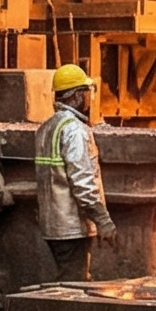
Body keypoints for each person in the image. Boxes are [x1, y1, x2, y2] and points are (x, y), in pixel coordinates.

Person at [36, 64, 114, 283]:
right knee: (72, 287)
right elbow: (83, 183)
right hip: (72, 228)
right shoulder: (74, 130)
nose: (89, 98)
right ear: (79, 95)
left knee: (69, 279)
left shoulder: (46, 128)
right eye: (87, 92)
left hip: (52, 226)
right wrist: (103, 221)